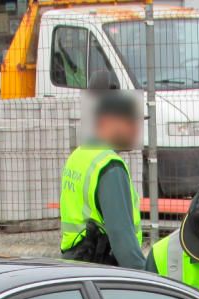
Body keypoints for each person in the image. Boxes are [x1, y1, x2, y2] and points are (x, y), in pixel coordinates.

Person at [59, 91, 143, 269]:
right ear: (106, 122)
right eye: (130, 122)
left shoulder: (79, 155)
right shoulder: (109, 166)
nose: (136, 129)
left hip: (75, 268)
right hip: (104, 272)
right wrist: (148, 280)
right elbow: (124, 245)